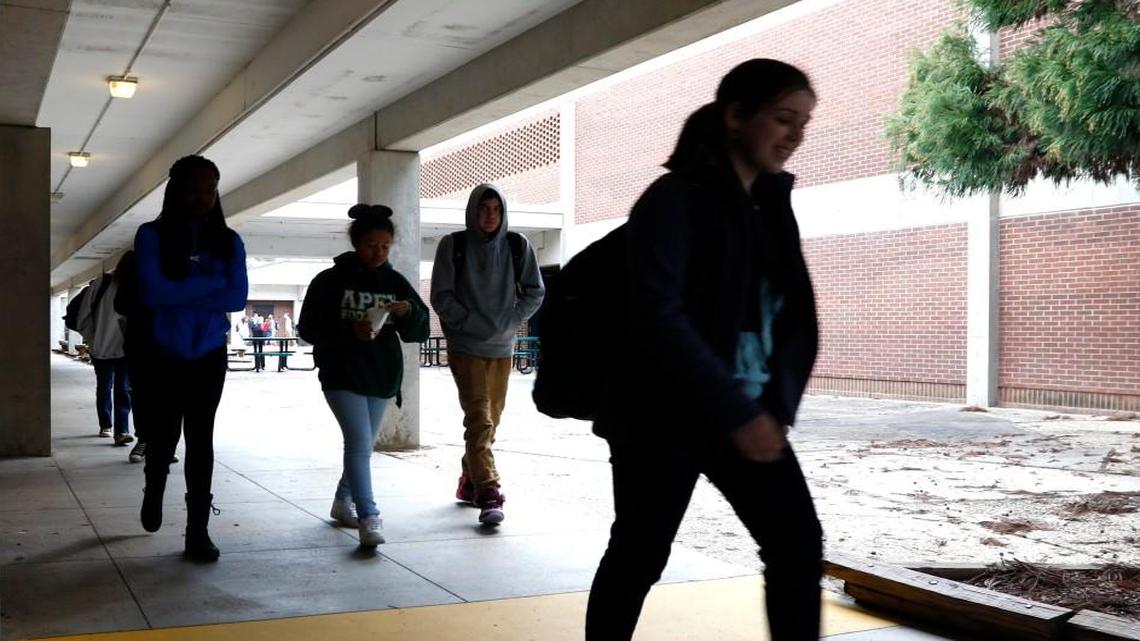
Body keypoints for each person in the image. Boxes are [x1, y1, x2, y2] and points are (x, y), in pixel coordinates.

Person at [585, 59, 823, 640]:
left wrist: (773, 407)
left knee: (795, 543)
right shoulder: (672, 200)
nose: (795, 135)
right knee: (641, 551)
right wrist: (740, 411)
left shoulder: (770, 207)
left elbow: (794, 318)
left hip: (747, 413)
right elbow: (657, 317)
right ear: (736, 116)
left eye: (805, 123)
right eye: (783, 118)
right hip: (662, 416)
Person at [133, 155, 248, 562]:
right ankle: (154, 487)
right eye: (193, 187)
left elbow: (237, 298)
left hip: (209, 353)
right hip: (162, 351)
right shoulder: (151, 235)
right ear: (175, 190)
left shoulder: (229, 240)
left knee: (202, 440)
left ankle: (197, 530)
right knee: (163, 435)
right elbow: (151, 293)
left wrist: (182, 288)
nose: (202, 196)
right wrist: (211, 284)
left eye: (209, 188)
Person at [299, 204, 429, 547]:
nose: (379, 252)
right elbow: (308, 328)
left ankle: (343, 501)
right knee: (358, 442)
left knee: (363, 446)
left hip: (383, 376)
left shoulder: (395, 281)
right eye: (372, 245)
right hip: (341, 374)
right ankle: (369, 516)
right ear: (357, 243)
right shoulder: (329, 281)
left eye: (385, 246)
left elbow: (421, 330)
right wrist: (347, 329)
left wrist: (409, 311)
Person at [430, 185, 545, 525]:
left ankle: (468, 480)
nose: (490, 214)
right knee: (479, 419)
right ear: (472, 212)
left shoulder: (516, 245)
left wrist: (511, 320)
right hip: (466, 347)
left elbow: (536, 291)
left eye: (496, 208)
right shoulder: (453, 246)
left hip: (502, 346)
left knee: (490, 423)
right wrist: (468, 322)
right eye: (483, 208)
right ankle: (489, 492)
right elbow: (441, 296)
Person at [76, 267, 133, 446]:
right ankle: (106, 425)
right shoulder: (102, 284)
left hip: (126, 349)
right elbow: (83, 316)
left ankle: (121, 430)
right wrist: (93, 341)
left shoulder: (136, 285)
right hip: (102, 348)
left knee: (122, 388)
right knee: (105, 387)